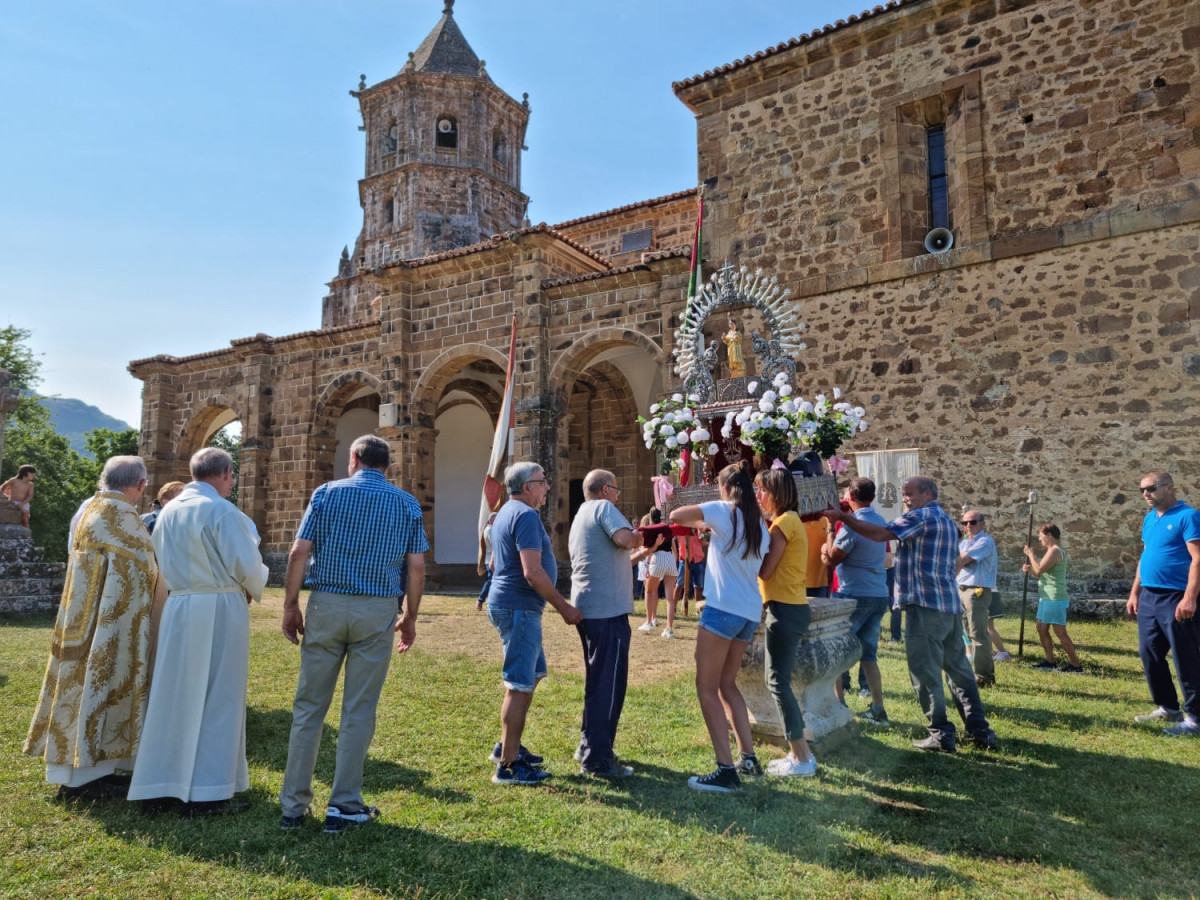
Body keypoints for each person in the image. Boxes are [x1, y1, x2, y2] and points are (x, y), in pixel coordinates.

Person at [278, 434, 428, 832]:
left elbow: (298, 552)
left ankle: (293, 804)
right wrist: (411, 616)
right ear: (387, 466)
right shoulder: (407, 503)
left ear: (355, 459)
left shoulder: (326, 493)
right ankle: (344, 805)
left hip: (326, 603)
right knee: (358, 709)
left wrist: (291, 603)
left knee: (309, 707)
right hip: (377, 608)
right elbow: (416, 568)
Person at [128, 447, 268, 816]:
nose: (233, 482)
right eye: (232, 476)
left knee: (173, 693)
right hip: (219, 604)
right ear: (223, 474)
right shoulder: (222, 510)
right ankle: (208, 792)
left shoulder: (168, 511)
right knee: (219, 695)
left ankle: (159, 785)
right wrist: (256, 584)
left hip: (178, 605)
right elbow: (246, 564)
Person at [24, 456, 164, 799]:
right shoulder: (124, 517)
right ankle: (85, 777)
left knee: (78, 686)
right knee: (99, 685)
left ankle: (87, 772)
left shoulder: (89, 508)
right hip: (109, 625)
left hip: (78, 618)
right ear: (141, 485)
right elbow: (149, 570)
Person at [824, 477, 997, 753]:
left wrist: (843, 519)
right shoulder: (949, 522)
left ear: (927, 493)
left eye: (909, 494)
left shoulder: (922, 516)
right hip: (948, 604)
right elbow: (954, 563)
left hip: (923, 606)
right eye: (903, 494)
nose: (905, 498)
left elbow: (880, 534)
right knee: (959, 670)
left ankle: (940, 733)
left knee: (925, 672)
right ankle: (980, 731)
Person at [670, 461, 769, 792]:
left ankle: (726, 769)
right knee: (728, 685)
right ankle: (748, 757)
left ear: (725, 488)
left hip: (722, 609)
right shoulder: (759, 524)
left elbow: (675, 515)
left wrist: (704, 519)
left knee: (707, 687)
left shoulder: (723, 510)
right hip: (748, 611)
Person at [486, 462, 582, 784]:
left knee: (531, 676)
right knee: (518, 685)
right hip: (520, 607)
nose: (547, 488)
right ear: (527, 486)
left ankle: (507, 746)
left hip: (515, 606)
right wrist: (563, 607)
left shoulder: (506, 513)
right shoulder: (525, 515)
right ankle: (508, 766)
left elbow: (496, 561)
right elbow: (532, 572)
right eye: (543, 482)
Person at [569, 469, 657, 777]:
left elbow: (611, 558)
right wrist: (639, 535)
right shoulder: (604, 508)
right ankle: (598, 758)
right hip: (607, 612)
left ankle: (590, 743)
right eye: (617, 489)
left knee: (598, 680)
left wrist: (642, 552)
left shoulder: (582, 512)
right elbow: (623, 539)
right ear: (605, 490)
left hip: (590, 607)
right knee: (610, 683)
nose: (618, 495)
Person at [753, 467, 817, 777]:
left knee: (777, 682)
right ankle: (799, 752)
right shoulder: (791, 521)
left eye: (762, 490)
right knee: (779, 681)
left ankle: (802, 757)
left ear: (776, 493)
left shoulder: (782, 525)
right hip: (791, 605)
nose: (758, 496)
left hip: (785, 608)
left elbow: (765, 570)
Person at [1127, 470, 1200, 737]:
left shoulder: (1189, 516)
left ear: (1169, 487)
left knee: (1185, 657)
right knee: (1150, 654)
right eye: (1142, 490)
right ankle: (1168, 707)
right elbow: (1146, 556)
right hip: (1149, 595)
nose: (1146, 493)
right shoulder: (1150, 519)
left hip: (1176, 596)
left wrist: (1190, 597)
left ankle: (1195, 718)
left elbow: (1198, 559)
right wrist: (1135, 592)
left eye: (1151, 488)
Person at [823, 477, 891, 726]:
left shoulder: (852, 526)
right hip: (877, 593)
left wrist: (831, 528)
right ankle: (878, 707)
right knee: (869, 655)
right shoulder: (879, 520)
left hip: (853, 594)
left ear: (850, 496)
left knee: (836, 651)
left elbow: (832, 558)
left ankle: (838, 704)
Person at [1022, 523, 1083, 673]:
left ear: (1049, 535)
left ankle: (1075, 665)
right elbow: (1039, 573)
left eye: (1041, 536)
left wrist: (1030, 554)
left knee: (1060, 632)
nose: (1039, 539)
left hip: (1055, 597)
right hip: (1046, 596)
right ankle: (1050, 661)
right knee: (1041, 628)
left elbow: (1040, 569)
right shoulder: (1051, 551)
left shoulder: (1055, 551)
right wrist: (1030, 571)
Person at [957, 510, 998, 686]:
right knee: (967, 634)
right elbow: (958, 560)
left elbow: (963, 560)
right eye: (964, 523)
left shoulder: (985, 541)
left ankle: (984, 677)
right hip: (962, 589)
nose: (968, 526)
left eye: (972, 522)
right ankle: (975, 671)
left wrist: (955, 560)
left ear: (982, 523)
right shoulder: (964, 542)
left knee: (978, 634)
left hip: (977, 591)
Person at [639, 507, 678, 638]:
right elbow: (674, 547)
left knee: (649, 591)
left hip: (658, 558)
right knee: (670, 598)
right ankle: (669, 629)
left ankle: (649, 622)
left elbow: (649, 550)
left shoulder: (652, 530)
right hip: (670, 559)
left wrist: (648, 565)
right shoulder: (668, 529)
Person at [673, 529, 706, 616]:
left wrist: (701, 532)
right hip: (685, 559)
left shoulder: (698, 528)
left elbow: (705, 542)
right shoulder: (682, 527)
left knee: (699, 586)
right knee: (679, 585)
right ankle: (673, 609)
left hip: (698, 559)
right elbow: (675, 538)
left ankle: (698, 610)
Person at [477, 510, 497, 611]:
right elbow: (496, 544)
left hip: (491, 559)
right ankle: (480, 600)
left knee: (493, 581)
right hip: (491, 560)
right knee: (491, 581)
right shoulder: (490, 530)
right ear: (492, 520)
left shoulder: (490, 529)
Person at [723, 313, 745, 378]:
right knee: (732, 362)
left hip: (736, 349)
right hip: (730, 349)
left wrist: (735, 338)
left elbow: (739, 339)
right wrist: (724, 337)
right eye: (729, 324)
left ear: (734, 324)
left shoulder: (737, 331)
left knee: (737, 362)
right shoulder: (729, 332)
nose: (730, 325)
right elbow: (726, 341)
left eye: (732, 324)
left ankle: (739, 371)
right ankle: (733, 372)